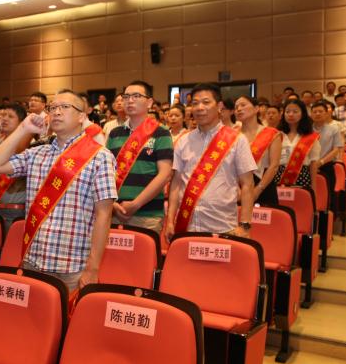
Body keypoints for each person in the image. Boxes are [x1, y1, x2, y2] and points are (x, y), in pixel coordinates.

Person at [0, 89, 117, 292]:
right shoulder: (37, 153)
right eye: (52, 107)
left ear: (81, 116)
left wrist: (93, 268)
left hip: (72, 266)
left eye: (64, 107)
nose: (56, 112)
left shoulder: (100, 156)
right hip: (32, 260)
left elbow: (104, 214)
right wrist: (23, 129)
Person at [166, 84, 256, 243]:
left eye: (206, 102)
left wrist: (245, 225)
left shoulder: (237, 140)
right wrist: (170, 221)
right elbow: (176, 183)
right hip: (186, 226)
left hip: (223, 226)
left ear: (219, 106)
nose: (200, 108)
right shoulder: (183, 141)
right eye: (195, 103)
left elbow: (248, 184)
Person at [105, 81, 172, 233]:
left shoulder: (161, 132)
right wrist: (113, 203)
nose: (130, 100)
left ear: (149, 102)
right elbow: (106, 171)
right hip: (114, 212)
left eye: (136, 96)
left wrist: (136, 204)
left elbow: (165, 174)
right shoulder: (114, 133)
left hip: (147, 216)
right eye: (126, 96)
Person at [0, 103, 29, 234]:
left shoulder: (30, 148)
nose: (4, 119)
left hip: (17, 212)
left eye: (10, 116)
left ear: (22, 122)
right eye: (3, 115)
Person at [235, 96, 281, 206]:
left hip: (264, 186)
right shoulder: (232, 134)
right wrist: (237, 189)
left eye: (243, 105)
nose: (239, 109)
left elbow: (274, 166)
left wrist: (257, 190)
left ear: (256, 109)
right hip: (237, 187)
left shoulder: (272, 133)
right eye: (236, 107)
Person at [275, 99, 320, 188]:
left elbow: (313, 163)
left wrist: (314, 186)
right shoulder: (277, 135)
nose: (291, 114)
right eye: (287, 111)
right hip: (279, 176)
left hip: (302, 177)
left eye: (295, 111)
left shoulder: (310, 136)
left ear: (303, 114)